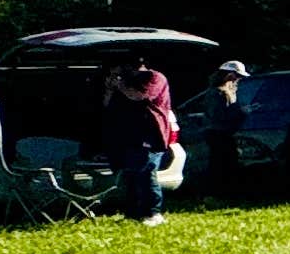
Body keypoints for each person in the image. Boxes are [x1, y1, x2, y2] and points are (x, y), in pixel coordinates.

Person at [99, 57, 179, 227]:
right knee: (130, 174)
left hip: (150, 133)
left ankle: (153, 213)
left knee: (147, 172)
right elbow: (107, 104)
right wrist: (110, 88)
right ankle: (133, 213)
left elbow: (139, 96)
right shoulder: (124, 82)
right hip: (129, 134)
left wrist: (120, 85)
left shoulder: (154, 77)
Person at [193, 61, 250, 201]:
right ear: (229, 75)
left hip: (221, 133)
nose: (238, 80)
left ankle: (220, 193)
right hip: (218, 134)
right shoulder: (217, 93)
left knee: (223, 163)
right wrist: (241, 111)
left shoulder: (220, 91)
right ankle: (213, 194)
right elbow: (219, 116)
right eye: (237, 76)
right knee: (220, 164)